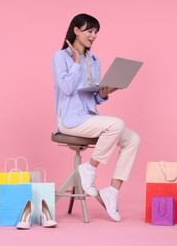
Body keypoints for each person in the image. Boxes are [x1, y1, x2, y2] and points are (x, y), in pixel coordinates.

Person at [51, 13, 140, 222]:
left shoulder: (94, 60)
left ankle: (112, 192)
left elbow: (95, 97)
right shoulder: (60, 57)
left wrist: (105, 92)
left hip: (90, 118)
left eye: (96, 32)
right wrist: (75, 63)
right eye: (90, 31)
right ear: (76, 30)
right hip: (71, 121)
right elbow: (65, 87)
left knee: (133, 139)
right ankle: (89, 169)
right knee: (115, 124)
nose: (93, 36)